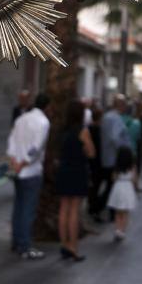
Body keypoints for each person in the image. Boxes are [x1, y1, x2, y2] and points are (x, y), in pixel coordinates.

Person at [7, 93, 51, 260]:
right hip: (31, 171)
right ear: (47, 107)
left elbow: (11, 141)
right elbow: (36, 147)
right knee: (27, 209)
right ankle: (25, 246)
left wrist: (14, 161)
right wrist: (25, 161)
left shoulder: (21, 119)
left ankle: (16, 241)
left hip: (16, 170)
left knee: (18, 206)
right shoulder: (43, 122)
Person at [55, 100, 95, 262]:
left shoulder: (62, 131)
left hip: (64, 170)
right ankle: (73, 247)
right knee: (74, 210)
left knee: (64, 208)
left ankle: (63, 244)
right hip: (77, 171)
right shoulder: (83, 131)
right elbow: (91, 153)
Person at [98, 94, 132, 221]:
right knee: (111, 186)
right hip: (114, 157)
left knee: (109, 184)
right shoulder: (116, 119)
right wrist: (123, 152)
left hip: (106, 156)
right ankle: (104, 208)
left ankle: (104, 209)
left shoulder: (107, 117)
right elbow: (115, 137)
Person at [107, 146, 137, 242]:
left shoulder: (116, 167)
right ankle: (122, 231)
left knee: (118, 211)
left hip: (118, 187)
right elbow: (134, 179)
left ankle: (117, 229)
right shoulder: (132, 167)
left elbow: (113, 178)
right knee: (125, 212)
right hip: (127, 187)